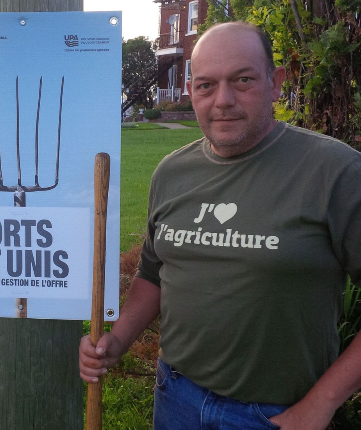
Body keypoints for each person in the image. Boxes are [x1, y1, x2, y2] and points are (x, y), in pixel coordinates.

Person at [80, 21, 361, 430]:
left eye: (243, 80)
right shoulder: (172, 172)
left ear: (275, 82)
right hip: (176, 396)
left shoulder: (334, 173)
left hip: (278, 414)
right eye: (207, 85)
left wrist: (321, 403)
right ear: (191, 91)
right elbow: (154, 274)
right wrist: (116, 342)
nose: (223, 100)